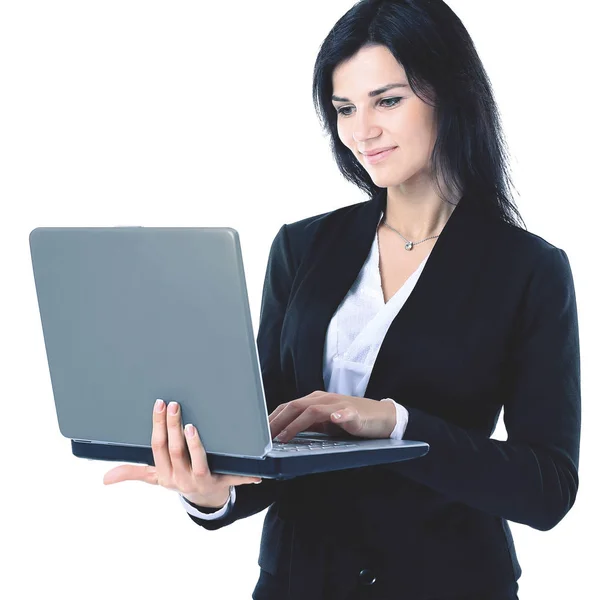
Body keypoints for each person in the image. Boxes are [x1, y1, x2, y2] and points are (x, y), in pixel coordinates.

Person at [103, 1, 581, 598]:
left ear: (451, 93)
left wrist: (398, 424)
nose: (361, 131)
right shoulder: (303, 247)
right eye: (344, 109)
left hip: (448, 582)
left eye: (388, 100)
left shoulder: (528, 269)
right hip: (298, 581)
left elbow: (548, 488)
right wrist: (213, 493)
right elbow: (273, 440)